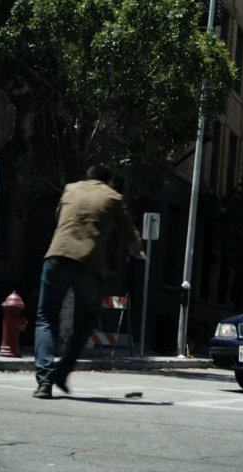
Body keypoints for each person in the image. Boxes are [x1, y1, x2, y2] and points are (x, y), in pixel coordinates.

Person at [32, 164, 145, 399]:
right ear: (108, 181)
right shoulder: (112, 196)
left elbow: (58, 216)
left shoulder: (70, 189)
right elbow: (128, 231)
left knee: (45, 318)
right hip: (88, 264)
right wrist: (137, 251)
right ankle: (62, 371)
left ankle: (44, 381)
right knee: (89, 317)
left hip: (57, 257)